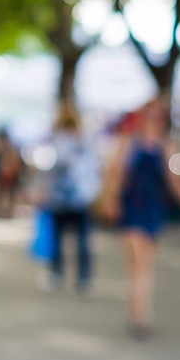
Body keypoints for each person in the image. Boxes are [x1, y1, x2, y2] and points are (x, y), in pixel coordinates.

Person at [102, 97, 180, 339]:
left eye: (159, 117)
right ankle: (138, 314)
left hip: (153, 209)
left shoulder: (167, 145)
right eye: (151, 116)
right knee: (137, 261)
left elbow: (176, 180)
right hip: (132, 208)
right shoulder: (129, 142)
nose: (154, 121)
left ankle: (140, 313)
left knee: (146, 264)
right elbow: (116, 172)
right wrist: (111, 200)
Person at [42, 104, 101, 293]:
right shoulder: (84, 141)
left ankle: (57, 274)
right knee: (82, 240)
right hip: (80, 197)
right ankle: (83, 278)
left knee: (58, 239)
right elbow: (93, 169)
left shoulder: (55, 140)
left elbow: (49, 166)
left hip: (59, 197)